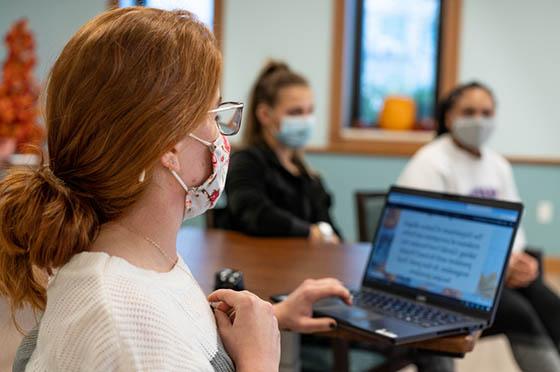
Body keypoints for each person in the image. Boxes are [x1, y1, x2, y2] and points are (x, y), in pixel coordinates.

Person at [0, 8, 352, 371]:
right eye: (214, 115)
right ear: (169, 146)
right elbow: (154, 345)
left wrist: (270, 319)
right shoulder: (130, 328)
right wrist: (261, 362)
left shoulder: (136, 255)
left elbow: (180, 337)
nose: (220, 136)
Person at [398, 81, 560, 372]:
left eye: (486, 113)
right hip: (447, 276)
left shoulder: (497, 165)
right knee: (519, 313)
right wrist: (496, 268)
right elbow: (424, 238)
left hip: (494, 271)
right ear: (449, 117)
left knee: (549, 303)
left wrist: (515, 261)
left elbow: (514, 223)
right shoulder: (430, 163)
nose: (478, 120)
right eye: (469, 111)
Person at [223, 61, 341, 243]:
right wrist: (310, 232)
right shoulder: (246, 163)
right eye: (295, 112)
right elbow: (255, 214)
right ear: (265, 115)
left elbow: (331, 230)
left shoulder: (308, 176)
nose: (306, 120)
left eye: (310, 111)